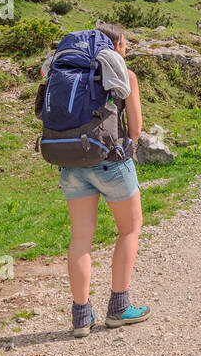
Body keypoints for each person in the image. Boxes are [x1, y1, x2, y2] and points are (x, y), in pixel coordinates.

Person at [51, 22, 151, 337]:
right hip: (111, 163)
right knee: (130, 229)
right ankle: (119, 307)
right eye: (126, 44)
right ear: (117, 46)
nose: (127, 50)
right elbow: (135, 130)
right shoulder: (126, 75)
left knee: (81, 239)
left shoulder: (70, 73)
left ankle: (81, 316)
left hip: (71, 163)